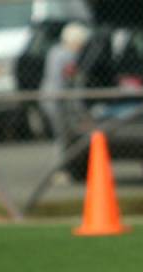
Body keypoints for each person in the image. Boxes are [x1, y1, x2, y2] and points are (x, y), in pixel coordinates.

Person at [41, 21, 90, 167]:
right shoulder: (69, 55)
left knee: (62, 136)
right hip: (58, 99)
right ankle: (61, 167)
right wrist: (81, 111)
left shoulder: (55, 51)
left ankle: (64, 166)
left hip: (49, 96)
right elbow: (71, 81)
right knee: (63, 136)